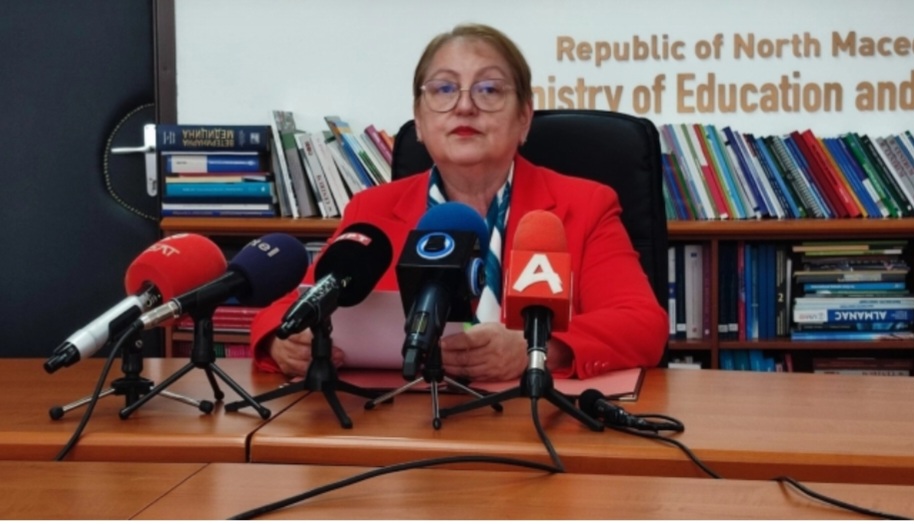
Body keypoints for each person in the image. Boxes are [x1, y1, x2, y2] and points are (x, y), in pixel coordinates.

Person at [250, 23, 668, 382]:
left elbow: (642, 324)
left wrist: (537, 350)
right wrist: (281, 341)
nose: (465, 106)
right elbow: (291, 307)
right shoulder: (371, 209)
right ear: (419, 120)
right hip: (403, 421)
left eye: (489, 89)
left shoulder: (585, 205)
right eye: (444, 89)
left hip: (533, 420)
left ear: (524, 118)